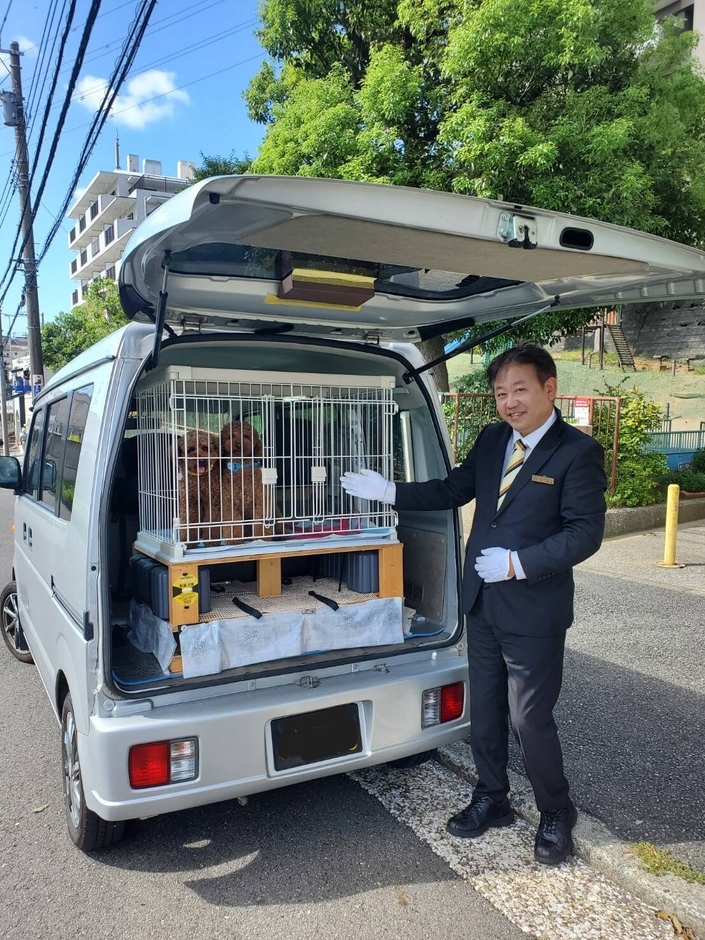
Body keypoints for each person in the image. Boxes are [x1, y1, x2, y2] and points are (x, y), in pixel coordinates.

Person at [341, 344, 607, 865]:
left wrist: (519, 563)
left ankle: (557, 810)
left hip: (534, 609)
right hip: (481, 601)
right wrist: (390, 491)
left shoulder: (577, 452)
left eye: (520, 390)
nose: (509, 402)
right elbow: (451, 489)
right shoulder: (492, 439)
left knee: (528, 717)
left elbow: (584, 534)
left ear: (549, 388)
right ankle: (491, 797)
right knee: (484, 709)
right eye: (501, 393)